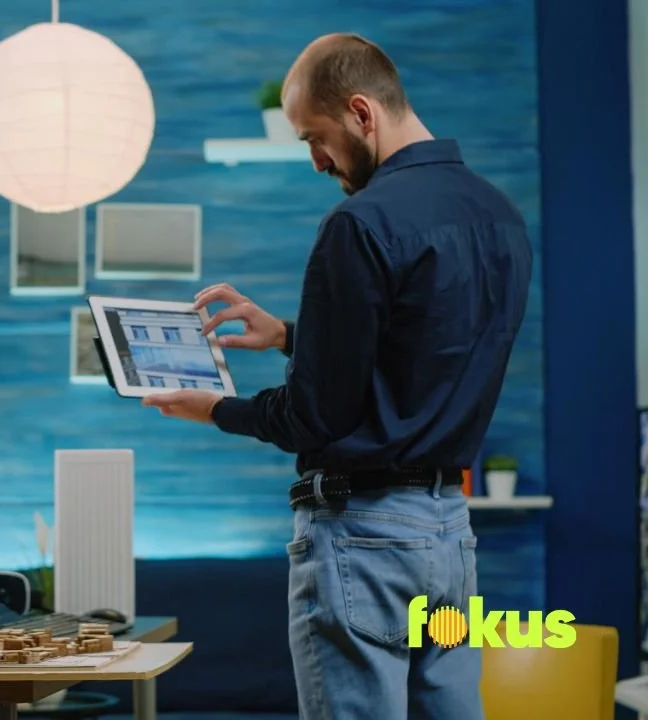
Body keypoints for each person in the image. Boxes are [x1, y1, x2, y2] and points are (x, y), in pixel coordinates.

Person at [142, 33, 532, 719]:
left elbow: (313, 416)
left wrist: (213, 408)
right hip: (448, 537)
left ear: (361, 112)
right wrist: (293, 336)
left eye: (314, 139)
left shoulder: (360, 222)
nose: (318, 161)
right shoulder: (499, 216)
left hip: (363, 540)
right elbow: (417, 355)